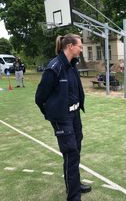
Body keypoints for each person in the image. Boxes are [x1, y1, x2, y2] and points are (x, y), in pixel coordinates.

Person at [35, 33, 91, 201]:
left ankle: (74, 184)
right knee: (70, 153)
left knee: (76, 150)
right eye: (80, 46)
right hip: (62, 118)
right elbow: (40, 98)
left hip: (74, 115)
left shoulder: (72, 65)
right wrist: (53, 115)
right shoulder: (54, 67)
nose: (81, 49)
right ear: (70, 46)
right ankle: (73, 197)